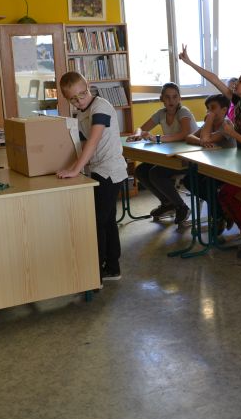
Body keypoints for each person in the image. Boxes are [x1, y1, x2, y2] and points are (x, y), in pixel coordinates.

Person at [178, 45, 241, 257]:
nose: (237, 83)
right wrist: (190, 63)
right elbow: (214, 79)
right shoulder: (237, 101)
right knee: (223, 193)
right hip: (240, 160)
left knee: (226, 194)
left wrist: (231, 133)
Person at [57, 72, 127, 281]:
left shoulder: (100, 107)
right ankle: (112, 267)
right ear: (66, 98)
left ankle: (96, 271)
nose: (80, 101)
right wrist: (71, 167)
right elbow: (81, 147)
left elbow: (93, 141)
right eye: (73, 99)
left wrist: (75, 170)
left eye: (82, 94)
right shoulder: (81, 114)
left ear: (88, 86)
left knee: (97, 222)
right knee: (107, 221)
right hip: (98, 170)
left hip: (110, 171)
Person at [128, 83, 198, 223]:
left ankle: (182, 207)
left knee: (156, 173)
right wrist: (137, 134)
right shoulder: (161, 113)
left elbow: (185, 134)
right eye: (167, 97)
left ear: (179, 98)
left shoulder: (183, 111)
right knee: (140, 170)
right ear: (162, 99)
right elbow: (141, 128)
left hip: (190, 158)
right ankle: (168, 203)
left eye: (175, 97)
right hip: (173, 157)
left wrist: (158, 138)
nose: (171, 100)